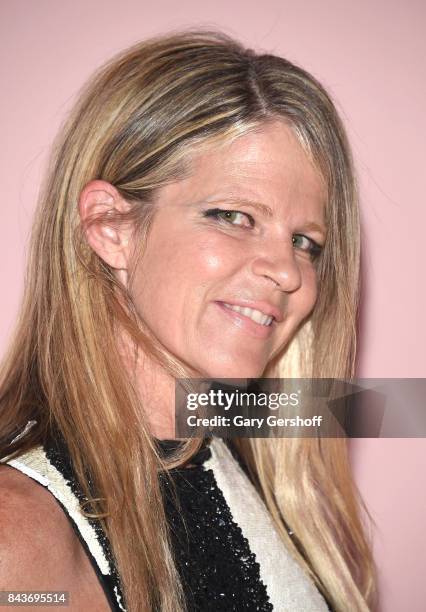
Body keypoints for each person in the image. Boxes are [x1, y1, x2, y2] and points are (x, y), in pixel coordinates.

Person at [0, 30, 377, 611]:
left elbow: (388, 408)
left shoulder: (251, 444)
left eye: (305, 241)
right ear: (110, 227)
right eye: (233, 216)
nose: (287, 271)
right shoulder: (19, 535)